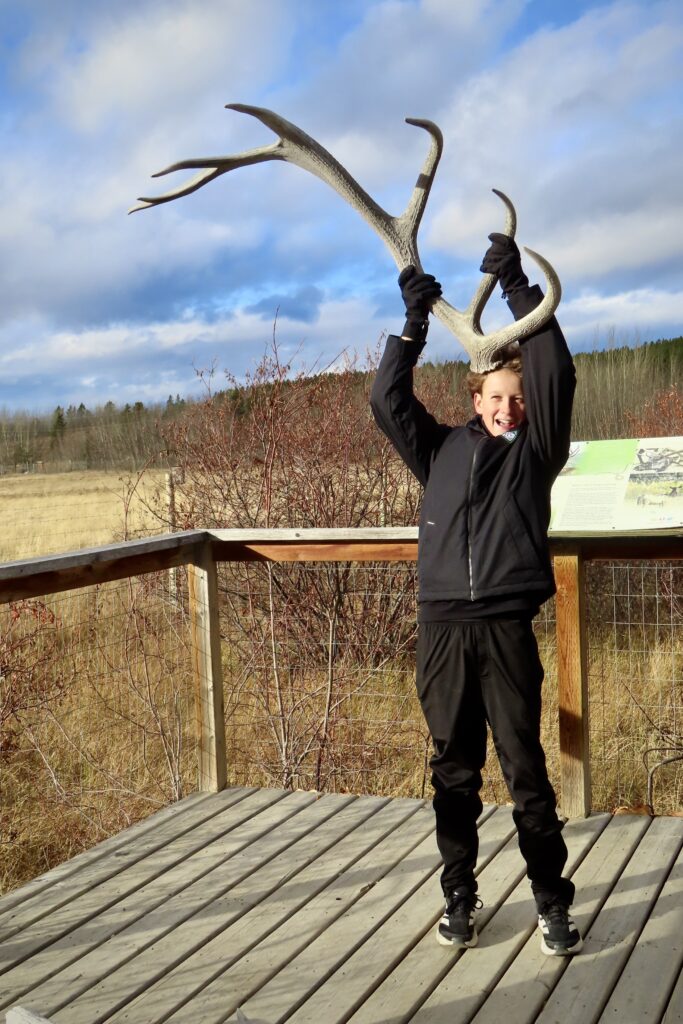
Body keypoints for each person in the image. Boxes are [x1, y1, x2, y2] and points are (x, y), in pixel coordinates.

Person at [370, 232, 581, 956]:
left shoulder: (533, 457)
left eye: (517, 399)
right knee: (452, 773)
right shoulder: (439, 452)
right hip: (441, 634)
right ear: (475, 396)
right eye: (496, 397)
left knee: (525, 773)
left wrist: (522, 290)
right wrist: (411, 326)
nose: (509, 409)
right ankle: (459, 898)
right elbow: (384, 398)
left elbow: (557, 378)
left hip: (503, 633)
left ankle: (551, 904)